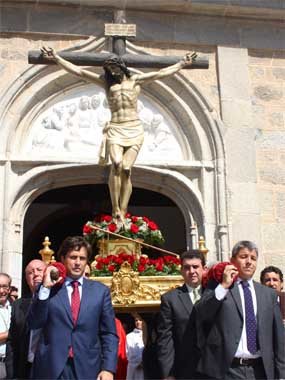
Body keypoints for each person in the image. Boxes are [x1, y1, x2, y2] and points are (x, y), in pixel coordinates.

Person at [41, 47, 197, 225]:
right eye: (109, 69)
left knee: (127, 169)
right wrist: (57, 58)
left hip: (134, 128)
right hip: (116, 127)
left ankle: (123, 209)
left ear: (121, 67)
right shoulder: (107, 83)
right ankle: (115, 209)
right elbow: (80, 71)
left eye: (114, 68)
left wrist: (181, 64)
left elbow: (160, 74)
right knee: (116, 164)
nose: (112, 72)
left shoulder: (135, 80)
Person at [27, 236, 118, 380]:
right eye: (73, 257)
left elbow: (109, 334)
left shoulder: (100, 292)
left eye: (82, 258)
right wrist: (45, 288)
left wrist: (108, 368)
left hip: (88, 368)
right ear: (62, 259)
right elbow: (34, 323)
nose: (77, 263)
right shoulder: (48, 289)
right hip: (51, 368)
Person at [196, 240, 285, 380]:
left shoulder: (268, 294)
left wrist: (281, 375)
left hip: (260, 371)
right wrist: (224, 286)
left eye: (253, 258)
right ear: (232, 261)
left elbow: (279, 338)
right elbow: (202, 313)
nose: (249, 262)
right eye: (243, 257)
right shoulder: (220, 287)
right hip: (227, 370)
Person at [156, 250, 206, 379]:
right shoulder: (170, 299)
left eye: (195, 267)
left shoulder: (214, 294)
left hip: (213, 369)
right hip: (184, 370)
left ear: (204, 269)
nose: (192, 271)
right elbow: (165, 339)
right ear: (182, 271)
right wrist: (168, 374)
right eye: (187, 267)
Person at [5, 259, 47, 379]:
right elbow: (12, 341)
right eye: (30, 272)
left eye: (39, 270)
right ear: (26, 279)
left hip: (50, 369)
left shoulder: (58, 300)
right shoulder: (18, 305)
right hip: (26, 369)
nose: (35, 274)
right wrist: (12, 374)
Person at [0, 273, 12, 379]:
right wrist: (11, 334)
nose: (1, 291)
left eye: (4, 287)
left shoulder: (15, 307)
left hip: (12, 364)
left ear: (9, 289)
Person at [126, 313, 145, 380]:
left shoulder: (149, 335)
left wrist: (145, 361)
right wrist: (138, 362)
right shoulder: (129, 336)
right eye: (136, 320)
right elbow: (128, 353)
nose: (138, 322)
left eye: (140, 320)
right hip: (133, 368)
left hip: (145, 367)